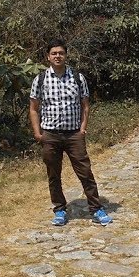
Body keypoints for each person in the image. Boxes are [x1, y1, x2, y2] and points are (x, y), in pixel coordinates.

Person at [29, 39, 111, 226]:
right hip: (50, 135)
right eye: (54, 53)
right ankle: (59, 210)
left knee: (85, 172)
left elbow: (85, 105)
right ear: (48, 57)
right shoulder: (40, 79)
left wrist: (82, 129)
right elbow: (34, 108)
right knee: (53, 174)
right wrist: (37, 133)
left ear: (66, 55)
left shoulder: (77, 77)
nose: (58, 56)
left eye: (61, 53)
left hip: (74, 134)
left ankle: (96, 209)